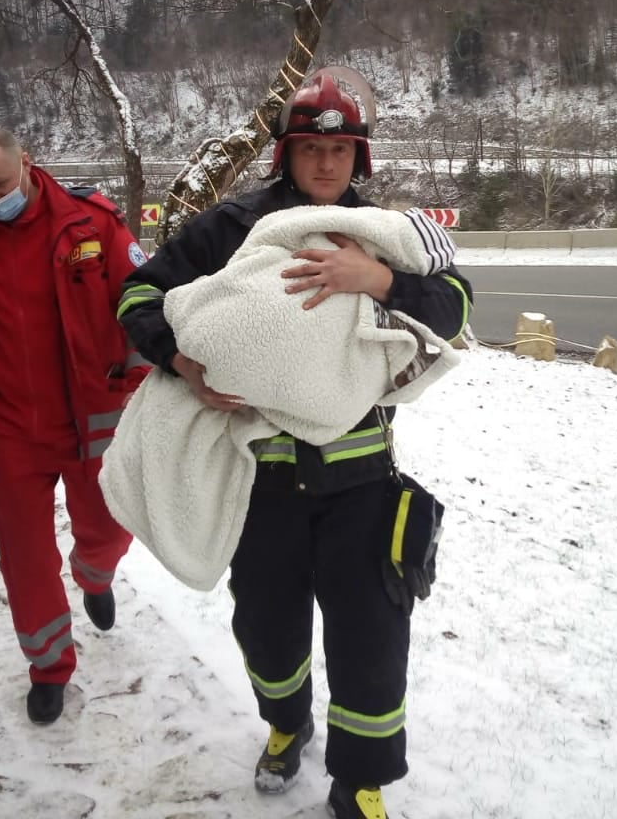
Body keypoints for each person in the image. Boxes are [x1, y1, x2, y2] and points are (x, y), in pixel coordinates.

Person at [118, 68, 473, 819]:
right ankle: (286, 726)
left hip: (363, 488)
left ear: (360, 158)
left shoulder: (383, 238)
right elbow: (139, 292)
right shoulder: (231, 229)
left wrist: (377, 279)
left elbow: (457, 304)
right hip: (265, 489)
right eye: (310, 147)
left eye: (341, 148)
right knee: (269, 633)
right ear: (284, 153)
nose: (325, 162)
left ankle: (361, 782)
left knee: (372, 642)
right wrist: (179, 361)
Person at [0, 129, 149, 725]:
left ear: (27, 165)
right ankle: (48, 667)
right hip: (9, 430)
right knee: (23, 558)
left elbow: (140, 303)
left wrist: (146, 381)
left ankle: (95, 573)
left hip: (93, 415)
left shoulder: (90, 223)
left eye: (1, 184)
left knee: (108, 523)